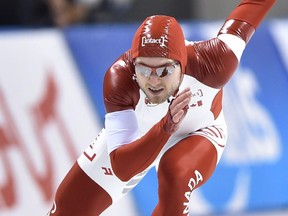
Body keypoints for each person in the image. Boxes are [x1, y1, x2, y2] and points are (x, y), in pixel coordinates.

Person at [47, 0, 276, 215]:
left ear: (182, 65)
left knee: (174, 175)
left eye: (164, 70)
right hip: (141, 135)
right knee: (67, 208)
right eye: (144, 70)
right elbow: (122, 169)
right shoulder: (120, 79)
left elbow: (253, 6)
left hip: (197, 132)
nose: (154, 81)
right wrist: (165, 127)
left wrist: (169, 128)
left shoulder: (215, 60)